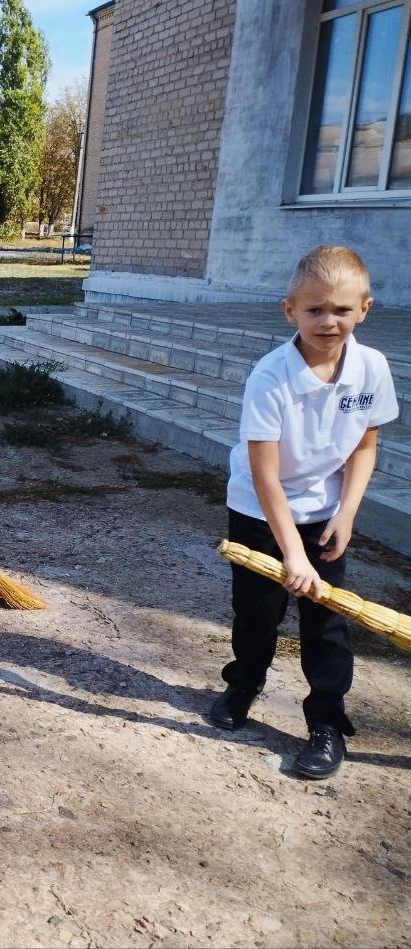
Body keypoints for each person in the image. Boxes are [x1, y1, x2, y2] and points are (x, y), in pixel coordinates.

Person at [210, 245, 399, 779]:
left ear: (364, 309)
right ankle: (243, 683)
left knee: (326, 623)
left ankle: (327, 722)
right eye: (314, 309)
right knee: (257, 613)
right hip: (258, 509)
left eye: (341, 310)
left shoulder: (371, 369)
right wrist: (292, 553)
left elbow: (365, 448)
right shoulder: (271, 377)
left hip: (323, 513)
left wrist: (345, 514)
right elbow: (265, 473)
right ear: (288, 310)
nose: (328, 321)